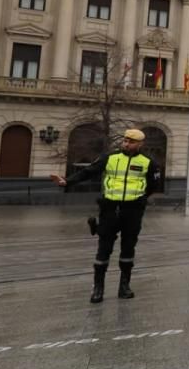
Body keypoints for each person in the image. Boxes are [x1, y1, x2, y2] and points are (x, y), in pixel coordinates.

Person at [51, 128, 163, 304]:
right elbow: (89, 172)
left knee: (128, 248)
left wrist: (140, 199)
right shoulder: (110, 158)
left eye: (131, 141)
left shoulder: (149, 162)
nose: (126, 143)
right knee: (104, 248)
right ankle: (98, 288)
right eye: (125, 140)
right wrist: (67, 181)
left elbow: (154, 185)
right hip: (110, 208)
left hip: (132, 211)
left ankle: (124, 287)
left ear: (140, 144)